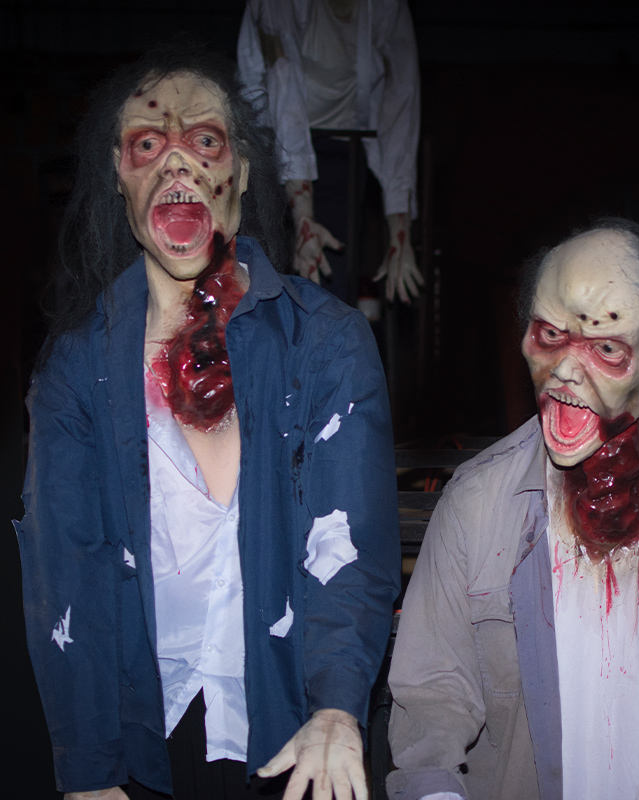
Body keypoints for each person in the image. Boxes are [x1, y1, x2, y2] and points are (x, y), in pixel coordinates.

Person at [15, 42, 399, 800]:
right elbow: (67, 569)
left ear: (242, 174)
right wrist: (89, 771)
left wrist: (334, 706)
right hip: (145, 736)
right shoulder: (77, 369)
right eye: (147, 145)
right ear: (118, 177)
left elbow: (352, 544)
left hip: (291, 725)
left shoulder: (325, 342)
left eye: (205, 141)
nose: (177, 164)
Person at [386, 219, 639, 800]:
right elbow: (432, 700)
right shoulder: (477, 505)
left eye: (605, 348)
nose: (564, 369)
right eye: (550, 334)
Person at [237, 0, 423, 304]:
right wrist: (304, 217)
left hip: (344, 151)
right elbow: (283, 80)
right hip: (272, 150)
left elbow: (402, 101)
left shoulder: (387, 7)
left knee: (331, 285)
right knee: (266, 276)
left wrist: (399, 236)